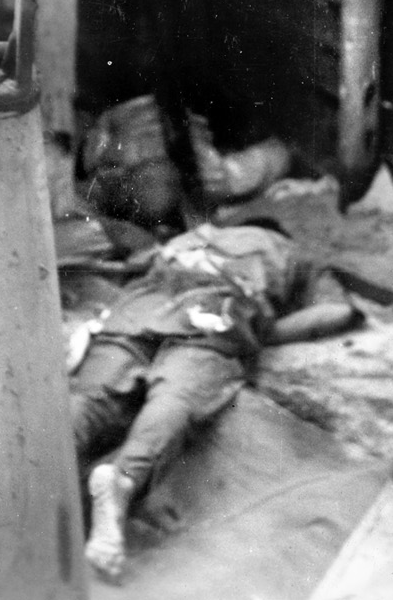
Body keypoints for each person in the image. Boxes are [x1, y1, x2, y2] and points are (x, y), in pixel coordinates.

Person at [67, 216, 360, 581]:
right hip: (216, 313)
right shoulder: (290, 253)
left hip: (139, 307)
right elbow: (338, 312)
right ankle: (122, 479)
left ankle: (36, 475)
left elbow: (121, 267)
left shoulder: (191, 237)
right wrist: (262, 332)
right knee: (176, 399)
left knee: (89, 401)